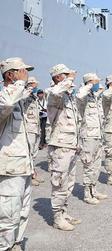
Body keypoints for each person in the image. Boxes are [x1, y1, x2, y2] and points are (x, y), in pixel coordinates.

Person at [0, 57, 34, 251]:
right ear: (10, 75)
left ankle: (16, 245)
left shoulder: (18, 101)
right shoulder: (5, 98)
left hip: (22, 167)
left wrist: (30, 166)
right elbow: (5, 104)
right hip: (10, 170)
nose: (25, 75)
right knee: (7, 216)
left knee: (22, 212)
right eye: (21, 71)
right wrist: (20, 83)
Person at [47, 64, 81, 231]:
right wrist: (69, 80)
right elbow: (55, 92)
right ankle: (57, 217)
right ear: (58, 77)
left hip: (71, 145)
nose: (70, 77)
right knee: (59, 183)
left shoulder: (68, 97)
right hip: (60, 146)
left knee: (68, 183)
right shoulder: (54, 94)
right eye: (65, 75)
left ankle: (64, 212)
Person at [77, 73, 108, 205]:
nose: (97, 84)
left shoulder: (95, 98)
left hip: (98, 135)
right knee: (89, 165)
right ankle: (87, 194)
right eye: (95, 82)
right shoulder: (83, 97)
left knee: (96, 165)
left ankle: (93, 190)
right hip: (88, 137)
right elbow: (79, 96)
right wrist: (89, 84)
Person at [24, 77, 45, 186]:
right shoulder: (25, 96)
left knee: (34, 153)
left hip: (36, 128)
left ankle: (32, 172)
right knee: (29, 153)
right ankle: (30, 176)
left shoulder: (34, 98)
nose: (36, 86)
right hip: (29, 129)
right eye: (34, 84)